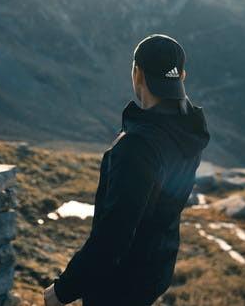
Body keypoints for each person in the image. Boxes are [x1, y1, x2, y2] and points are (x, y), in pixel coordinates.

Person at [43, 33, 210, 306]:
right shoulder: (188, 128)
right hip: (154, 269)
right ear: (182, 76)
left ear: (137, 74)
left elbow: (114, 235)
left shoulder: (138, 146)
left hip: (118, 285)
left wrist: (63, 290)